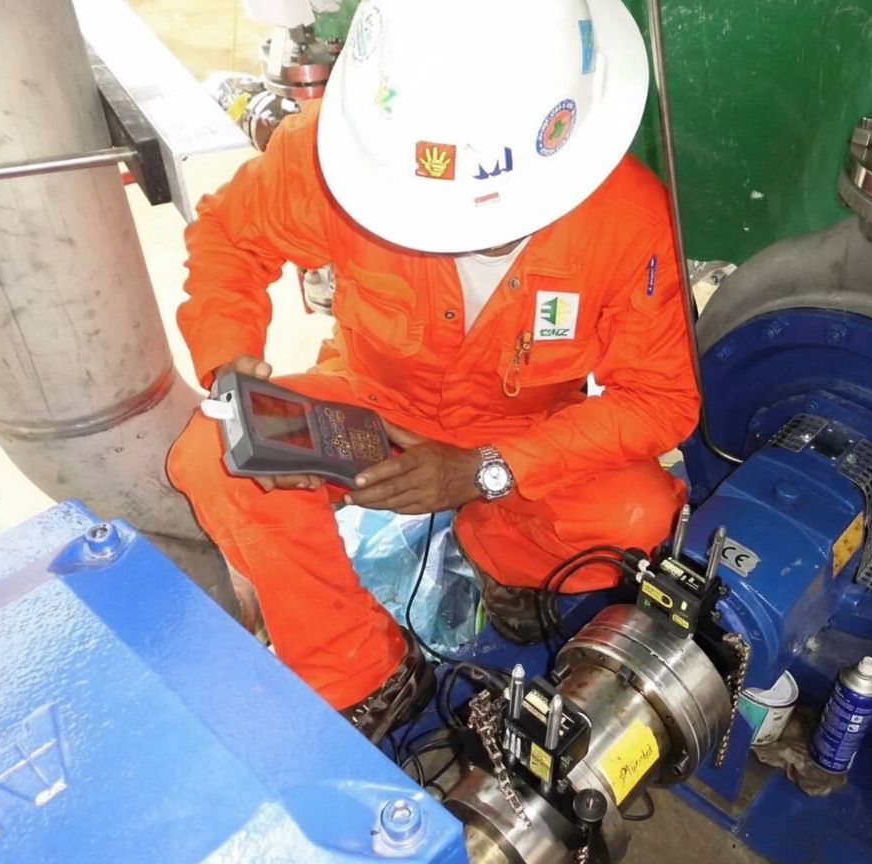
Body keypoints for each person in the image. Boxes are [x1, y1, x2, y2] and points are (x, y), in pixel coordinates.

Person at [167, 0, 699, 743]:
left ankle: (504, 556)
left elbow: (660, 398)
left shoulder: (629, 217)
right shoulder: (334, 152)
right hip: (370, 406)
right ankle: (367, 672)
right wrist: (231, 367)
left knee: (638, 515)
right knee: (214, 454)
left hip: (520, 438)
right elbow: (229, 238)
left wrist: (487, 469)